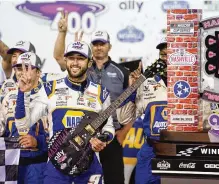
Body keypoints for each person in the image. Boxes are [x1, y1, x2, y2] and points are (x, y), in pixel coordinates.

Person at [14, 42, 115, 184]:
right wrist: (22, 93)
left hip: (90, 167)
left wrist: (103, 139)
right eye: (71, 58)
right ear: (65, 60)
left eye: (80, 58)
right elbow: (23, 126)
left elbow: (109, 127)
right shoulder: (50, 89)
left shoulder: (101, 93)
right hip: (56, 168)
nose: (75, 62)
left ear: (90, 62)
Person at [53, 11, 134, 184]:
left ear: (109, 47)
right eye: (95, 44)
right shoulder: (82, 67)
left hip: (110, 134)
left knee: (114, 179)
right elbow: (60, 58)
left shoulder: (122, 71)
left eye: (102, 44)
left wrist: (124, 132)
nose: (98, 47)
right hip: (84, 136)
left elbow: (132, 102)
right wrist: (62, 33)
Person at [118, 38, 167, 184]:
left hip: (181, 151)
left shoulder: (192, 82)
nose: (166, 59)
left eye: (171, 54)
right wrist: (131, 89)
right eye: (163, 55)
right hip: (151, 149)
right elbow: (123, 117)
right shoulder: (146, 83)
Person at [1, 52, 48, 184]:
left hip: (38, 165)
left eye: (27, 67)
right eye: (19, 68)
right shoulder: (8, 97)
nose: (22, 72)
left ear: (38, 72)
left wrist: (38, 142)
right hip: (10, 164)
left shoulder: (49, 98)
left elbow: (59, 137)